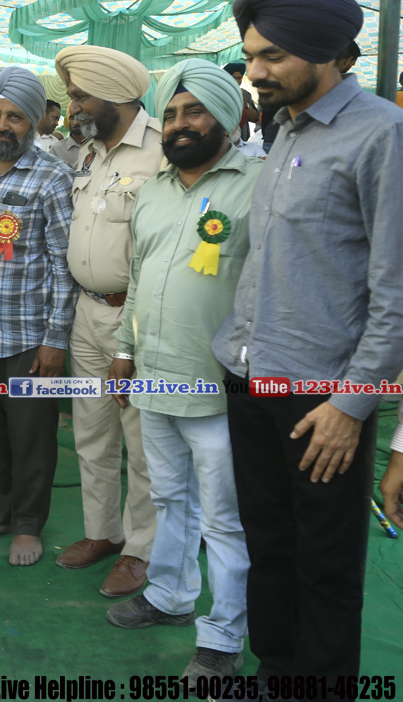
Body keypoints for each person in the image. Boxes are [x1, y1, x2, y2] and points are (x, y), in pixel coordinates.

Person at [212, 0, 403, 685]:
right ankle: (275, 676)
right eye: (250, 55)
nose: (255, 72)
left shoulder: (383, 134)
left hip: (321, 398)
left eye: (272, 56)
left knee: (324, 564)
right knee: (269, 544)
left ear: (326, 53)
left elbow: (396, 290)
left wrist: (352, 406)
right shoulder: (284, 127)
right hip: (251, 375)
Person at [105, 59, 258, 680]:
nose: (179, 123)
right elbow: (139, 278)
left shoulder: (258, 185)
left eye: (194, 111)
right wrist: (123, 352)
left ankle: (224, 635)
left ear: (225, 115)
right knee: (170, 498)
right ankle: (169, 595)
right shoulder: (154, 192)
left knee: (224, 519)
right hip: (154, 376)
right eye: (169, 113)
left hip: (220, 386)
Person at [0, 67, 75, 566]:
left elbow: (64, 266)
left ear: (33, 122)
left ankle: (27, 524)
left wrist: (55, 339)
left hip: (28, 338)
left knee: (31, 439)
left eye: (15, 117)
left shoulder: (52, 177)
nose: (2, 126)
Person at [53, 44, 160, 598]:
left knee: (141, 443)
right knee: (91, 433)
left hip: (134, 320)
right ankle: (103, 533)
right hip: (86, 311)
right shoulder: (89, 154)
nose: (71, 107)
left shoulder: (161, 152)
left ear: (116, 96)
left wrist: (131, 340)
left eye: (79, 97)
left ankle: (141, 549)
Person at [222, 62, 260, 142]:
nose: (236, 81)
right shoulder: (219, 93)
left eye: (239, 78)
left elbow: (254, 118)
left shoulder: (245, 94)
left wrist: (245, 104)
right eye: (233, 78)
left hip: (242, 140)